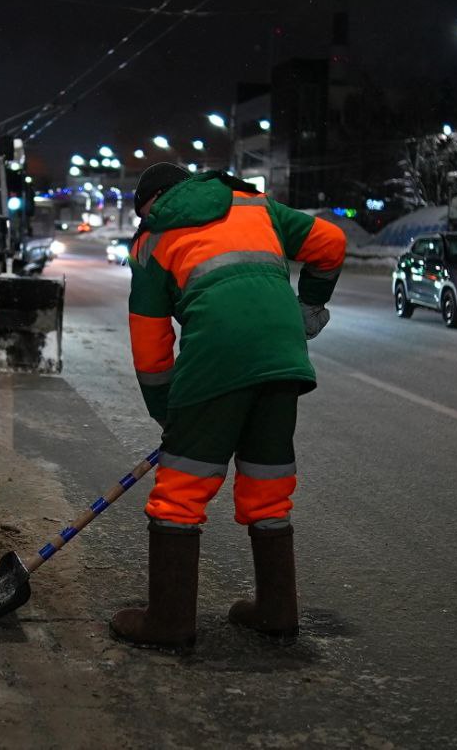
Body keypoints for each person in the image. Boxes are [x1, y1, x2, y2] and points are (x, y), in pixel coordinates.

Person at [110, 163, 346, 651]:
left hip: (216, 357)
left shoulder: (153, 241)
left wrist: (167, 412)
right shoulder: (255, 205)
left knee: (181, 488)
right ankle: (277, 610)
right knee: (268, 480)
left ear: (150, 204)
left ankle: (170, 621)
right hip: (284, 357)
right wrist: (309, 306)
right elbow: (331, 244)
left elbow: (150, 347)